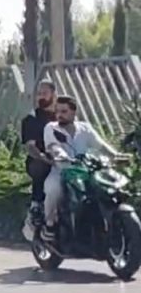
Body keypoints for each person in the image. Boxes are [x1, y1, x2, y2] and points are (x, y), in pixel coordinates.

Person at [41, 96, 122, 241]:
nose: (59, 115)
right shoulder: (51, 128)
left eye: (64, 111)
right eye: (57, 111)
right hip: (62, 171)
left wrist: (117, 155)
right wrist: (61, 155)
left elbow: (101, 145)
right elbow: (53, 146)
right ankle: (49, 225)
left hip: (85, 171)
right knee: (54, 190)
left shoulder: (85, 128)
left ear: (73, 112)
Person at [21, 79, 58, 228]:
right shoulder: (32, 118)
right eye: (39, 93)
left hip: (63, 158)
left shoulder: (61, 116)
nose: (41, 96)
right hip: (41, 159)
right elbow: (30, 146)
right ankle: (36, 204)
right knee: (39, 165)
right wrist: (43, 157)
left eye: (45, 93)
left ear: (53, 94)